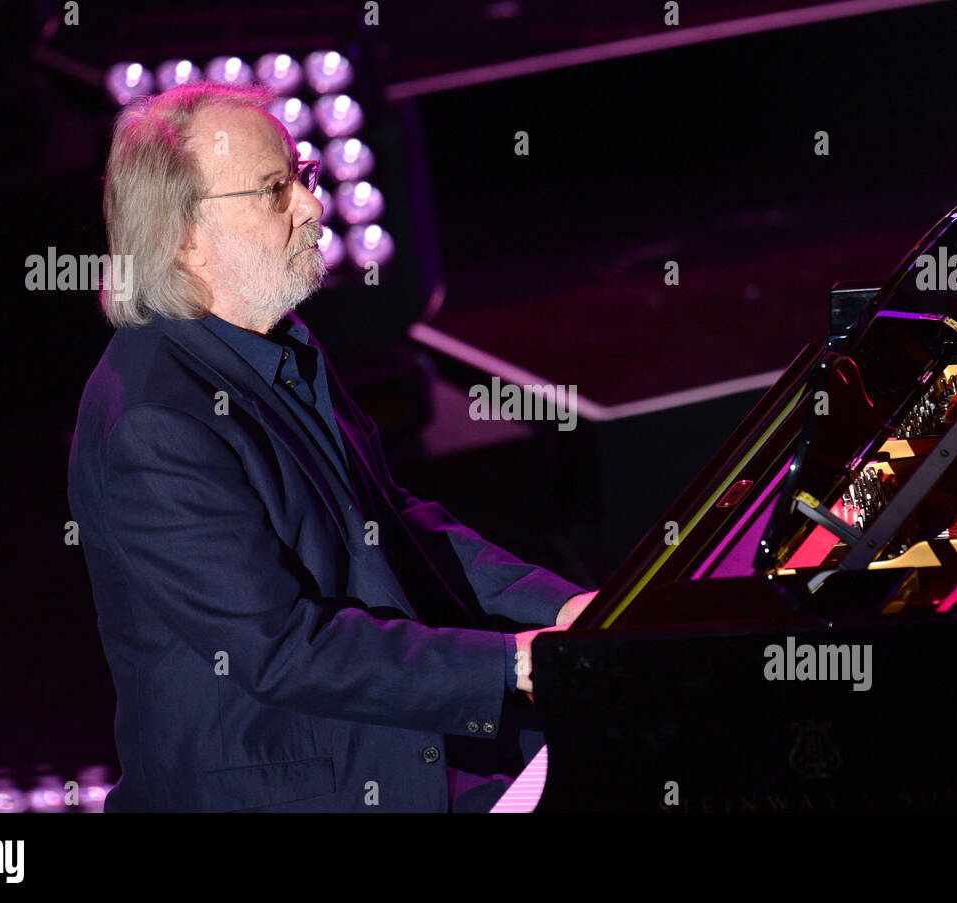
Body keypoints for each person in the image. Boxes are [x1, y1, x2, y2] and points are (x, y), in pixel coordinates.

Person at [68, 82, 595, 812]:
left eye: (304, 177)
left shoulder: (271, 344)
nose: (314, 207)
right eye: (275, 189)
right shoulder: (155, 422)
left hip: (377, 745)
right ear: (183, 235)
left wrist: (569, 609)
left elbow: (389, 522)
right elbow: (281, 647)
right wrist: (510, 663)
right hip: (292, 787)